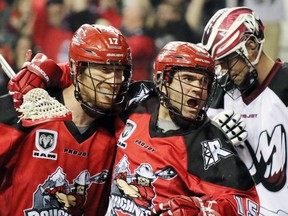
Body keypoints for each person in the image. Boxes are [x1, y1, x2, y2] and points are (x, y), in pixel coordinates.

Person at [105, 41, 260, 215]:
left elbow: (245, 203)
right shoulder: (137, 100)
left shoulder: (206, 142)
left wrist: (203, 210)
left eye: (204, 82)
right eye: (188, 79)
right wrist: (66, 74)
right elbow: (91, 88)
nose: (198, 89)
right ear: (161, 81)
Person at [0, 24, 132, 216]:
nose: (115, 81)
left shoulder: (123, 127)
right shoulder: (25, 108)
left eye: (121, 71)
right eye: (104, 70)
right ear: (77, 70)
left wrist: (52, 70)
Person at [201, 6, 288, 215]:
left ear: (250, 46)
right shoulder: (221, 94)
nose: (224, 72)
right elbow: (201, 160)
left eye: (228, 61)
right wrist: (214, 135)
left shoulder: (285, 85)